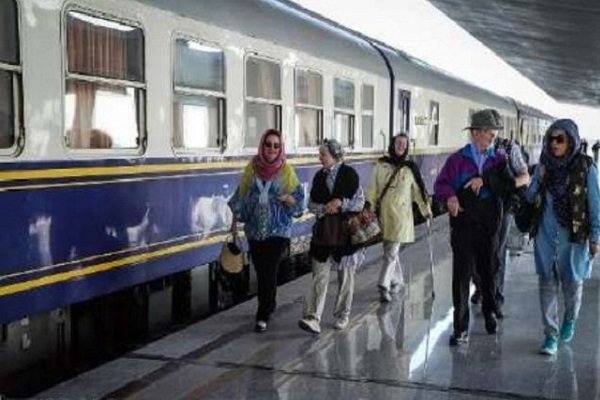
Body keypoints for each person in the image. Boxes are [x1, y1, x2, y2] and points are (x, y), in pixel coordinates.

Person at [434, 109, 525, 346]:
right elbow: (441, 185)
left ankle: (489, 312)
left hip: (489, 224)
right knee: (462, 275)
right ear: (476, 133)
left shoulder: (499, 160)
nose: (493, 137)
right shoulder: (457, 160)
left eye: (493, 132)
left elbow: (509, 186)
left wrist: (485, 180)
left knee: (489, 270)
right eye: (488, 132)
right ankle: (460, 328)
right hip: (463, 224)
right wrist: (450, 198)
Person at [525, 119, 600, 355]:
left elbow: (595, 205)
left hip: (574, 239)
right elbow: (529, 197)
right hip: (546, 237)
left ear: (571, 141)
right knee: (547, 285)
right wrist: (538, 178)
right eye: (551, 139)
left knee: (572, 286)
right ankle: (550, 336)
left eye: (560, 139)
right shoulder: (543, 165)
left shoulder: (586, 167)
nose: (555, 144)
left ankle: (570, 320)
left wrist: (596, 237)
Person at [228, 129, 305, 333]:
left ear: (280, 148)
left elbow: (299, 202)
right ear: (262, 146)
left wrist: (290, 200)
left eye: (276, 145)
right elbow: (240, 197)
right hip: (255, 231)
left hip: (278, 230)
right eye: (268, 144)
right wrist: (234, 223)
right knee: (261, 270)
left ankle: (262, 313)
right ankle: (269, 303)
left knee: (269, 270)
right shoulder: (251, 170)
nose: (272, 149)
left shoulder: (286, 172)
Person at [298, 139, 365, 334]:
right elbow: (311, 204)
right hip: (324, 233)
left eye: (323, 155)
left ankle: (342, 314)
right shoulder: (319, 177)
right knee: (319, 274)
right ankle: (313, 317)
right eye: (320, 155)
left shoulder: (349, 174)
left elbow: (360, 203)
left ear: (334, 156)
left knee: (346, 277)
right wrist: (324, 208)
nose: (320, 159)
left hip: (345, 234)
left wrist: (341, 204)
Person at [366, 133, 431, 302]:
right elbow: (373, 188)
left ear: (407, 147)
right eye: (398, 143)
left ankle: (384, 284)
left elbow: (419, 193)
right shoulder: (381, 165)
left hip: (401, 217)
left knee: (392, 251)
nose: (401, 146)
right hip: (384, 216)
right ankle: (398, 281)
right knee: (390, 251)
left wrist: (426, 211)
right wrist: (369, 206)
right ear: (392, 144)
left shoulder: (410, 168)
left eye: (404, 144)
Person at [472, 137, 529, 314]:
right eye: (479, 130)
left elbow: (525, 177)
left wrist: (504, 185)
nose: (482, 133)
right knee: (477, 250)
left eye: (487, 129)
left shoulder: (510, 149)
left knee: (497, 250)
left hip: (502, 207)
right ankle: (482, 288)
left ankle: (496, 294)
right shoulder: (472, 149)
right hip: (478, 206)